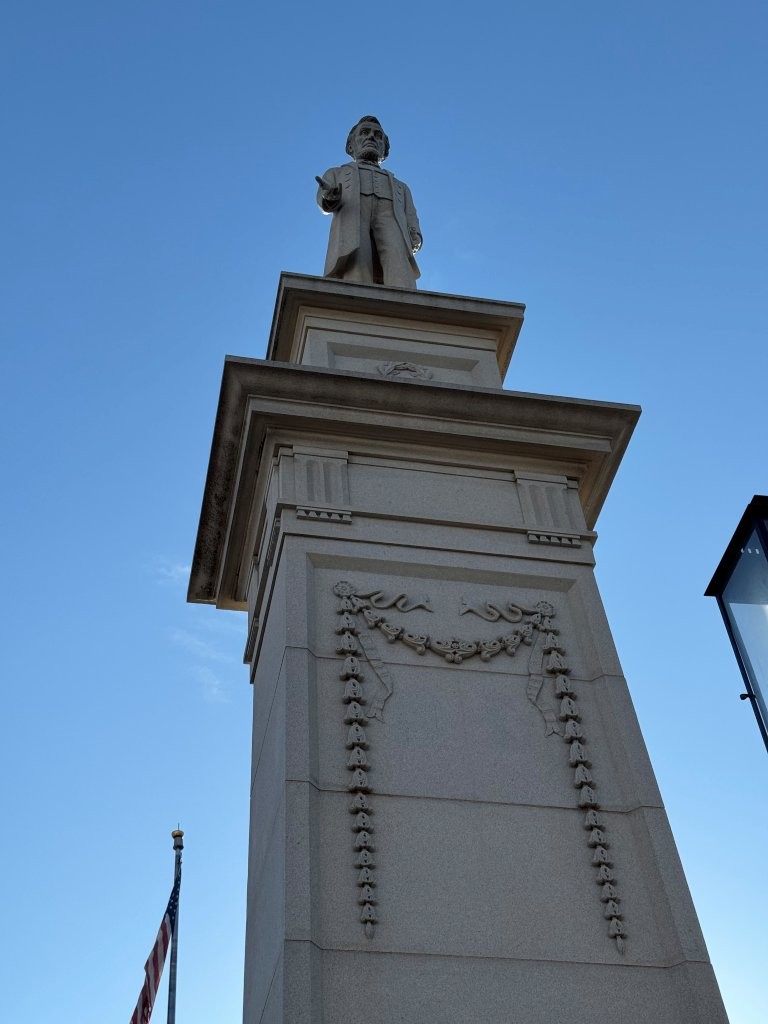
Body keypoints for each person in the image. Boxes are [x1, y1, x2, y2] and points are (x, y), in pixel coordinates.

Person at [316, 116, 422, 289]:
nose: (371, 137)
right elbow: (324, 196)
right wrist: (329, 196)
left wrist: (415, 233)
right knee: (357, 254)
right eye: (364, 133)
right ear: (351, 145)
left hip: (390, 217)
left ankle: (404, 296)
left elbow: (410, 213)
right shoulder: (337, 173)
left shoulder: (400, 186)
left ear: (384, 150)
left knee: (397, 255)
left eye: (378, 135)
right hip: (354, 214)